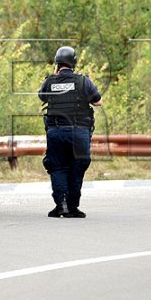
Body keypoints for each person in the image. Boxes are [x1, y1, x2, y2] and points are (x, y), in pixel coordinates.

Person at [38, 46, 102, 218]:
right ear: (74, 62)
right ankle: (73, 206)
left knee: (57, 167)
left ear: (57, 63)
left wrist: (55, 76)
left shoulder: (50, 82)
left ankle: (61, 204)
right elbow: (98, 102)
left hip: (56, 132)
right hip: (79, 133)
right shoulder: (83, 81)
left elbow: (42, 97)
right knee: (77, 168)